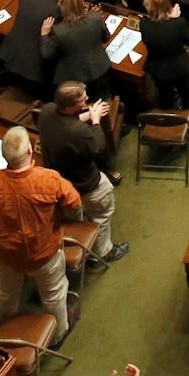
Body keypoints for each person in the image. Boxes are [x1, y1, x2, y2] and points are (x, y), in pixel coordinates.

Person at [0, 126, 81, 343]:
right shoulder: (49, 179)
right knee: (54, 296)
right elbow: (74, 203)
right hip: (45, 255)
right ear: (31, 151)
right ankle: (58, 335)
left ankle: (0, 335)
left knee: (4, 296)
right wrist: (59, 218)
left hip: (7, 258)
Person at [39, 80, 129, 268]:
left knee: (73, 219)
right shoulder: (80, 132)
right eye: (83, 98)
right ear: (72, 106)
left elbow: (64, 125)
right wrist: (95, 120)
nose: (87, 97)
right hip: (88, 184)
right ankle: (103, 252)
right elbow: (97, 146)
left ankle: (80, 246)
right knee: (102, 214)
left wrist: (88, 114)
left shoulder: (47, 111)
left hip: (62, 185)